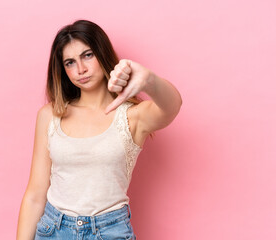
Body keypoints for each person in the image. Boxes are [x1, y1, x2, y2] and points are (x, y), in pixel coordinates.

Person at [16, 19, 182, 240]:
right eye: (69, 62)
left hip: (109, 231)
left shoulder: (132, 116)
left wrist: (149, 80)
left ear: (102, 53)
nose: (81, 69)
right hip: (53, 230)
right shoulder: (50, 115)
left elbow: (172, 106)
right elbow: (35, 195)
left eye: (87, 55)